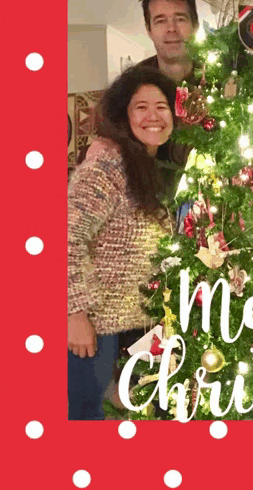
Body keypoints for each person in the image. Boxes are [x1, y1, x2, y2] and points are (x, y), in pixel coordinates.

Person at [67, 66, 178, 420]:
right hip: (95, 329)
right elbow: (66, 236)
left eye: (161, 106)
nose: (153, 116)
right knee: (87, 420)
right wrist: (75, 314)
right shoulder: (108, 164)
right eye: (141, 107)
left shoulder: (151, 167)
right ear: (122, 114)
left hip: (135, 325)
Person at [138, 0, 200, 83]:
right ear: (149, 30)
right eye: (161, 21)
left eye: (180, 19)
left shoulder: (223, 77)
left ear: (195, 25)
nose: (171, 28)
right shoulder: (131, 85)